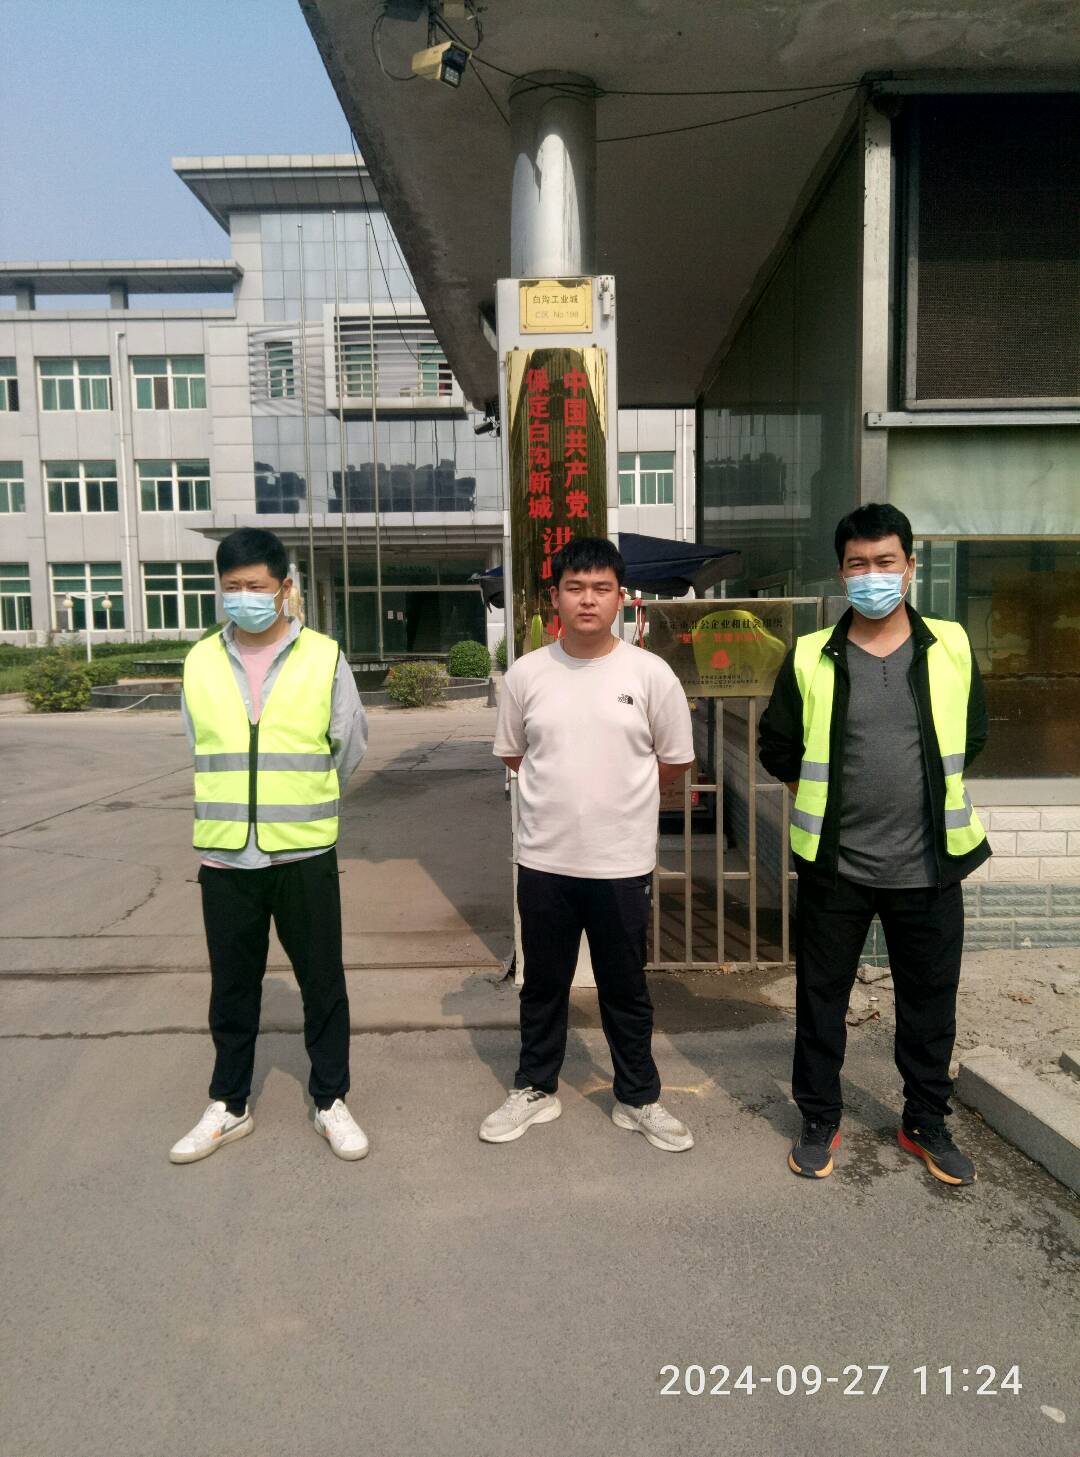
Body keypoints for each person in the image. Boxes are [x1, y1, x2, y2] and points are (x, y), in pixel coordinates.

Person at [759, 503, 990, 1187]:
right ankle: (818, 1117)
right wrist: (828, 803)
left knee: (930, 1003)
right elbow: (778, 745)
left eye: (885, 561)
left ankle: (925, 1120)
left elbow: (973, 734)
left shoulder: (950, 645)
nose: (872, 575)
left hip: (930, 864)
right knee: (820, 1001)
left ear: (910, 567)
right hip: (836, 868)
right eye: (858, 564)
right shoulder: (811, 654)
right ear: (841, 573)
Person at [482, 536, 697, 1152]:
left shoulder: (649, 673)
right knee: (543, 985)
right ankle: (535, 1087)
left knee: (625, 987)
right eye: (574, 587)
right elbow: (516, 754)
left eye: (601, 588)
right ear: (554, 597)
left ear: (620, 598)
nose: (587, 599)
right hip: (544, 860)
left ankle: (637, 1097)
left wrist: (619, 800)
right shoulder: (527, 674)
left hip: (621, 863)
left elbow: (674, 760)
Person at [170, 528, 370, 1165]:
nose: (244, 598)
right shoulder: (200, 661)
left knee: (322, 983)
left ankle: (330, 1099)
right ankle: (229, 1104)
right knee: (232, 987)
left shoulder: (324, 657)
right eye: (231, 587)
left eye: (255, 586)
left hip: (302, 852)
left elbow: (348, 744)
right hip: (226, 854)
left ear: (284, 588)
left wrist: (301, 798)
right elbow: (198, 743)